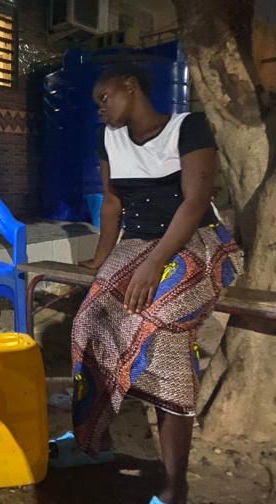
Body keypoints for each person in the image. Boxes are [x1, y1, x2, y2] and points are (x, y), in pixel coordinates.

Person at [48, 63, 243, 504]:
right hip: (136, 244)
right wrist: (101, 261)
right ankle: (91, 443)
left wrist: (154, 263)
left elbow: (195, 204)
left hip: (195, 242)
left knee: (159, 326)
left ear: (130, 86)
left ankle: (176, 485)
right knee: (89, 323)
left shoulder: (187, 127)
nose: (100, 109)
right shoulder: (108, 139)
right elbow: (113, 204)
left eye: (104, 98)